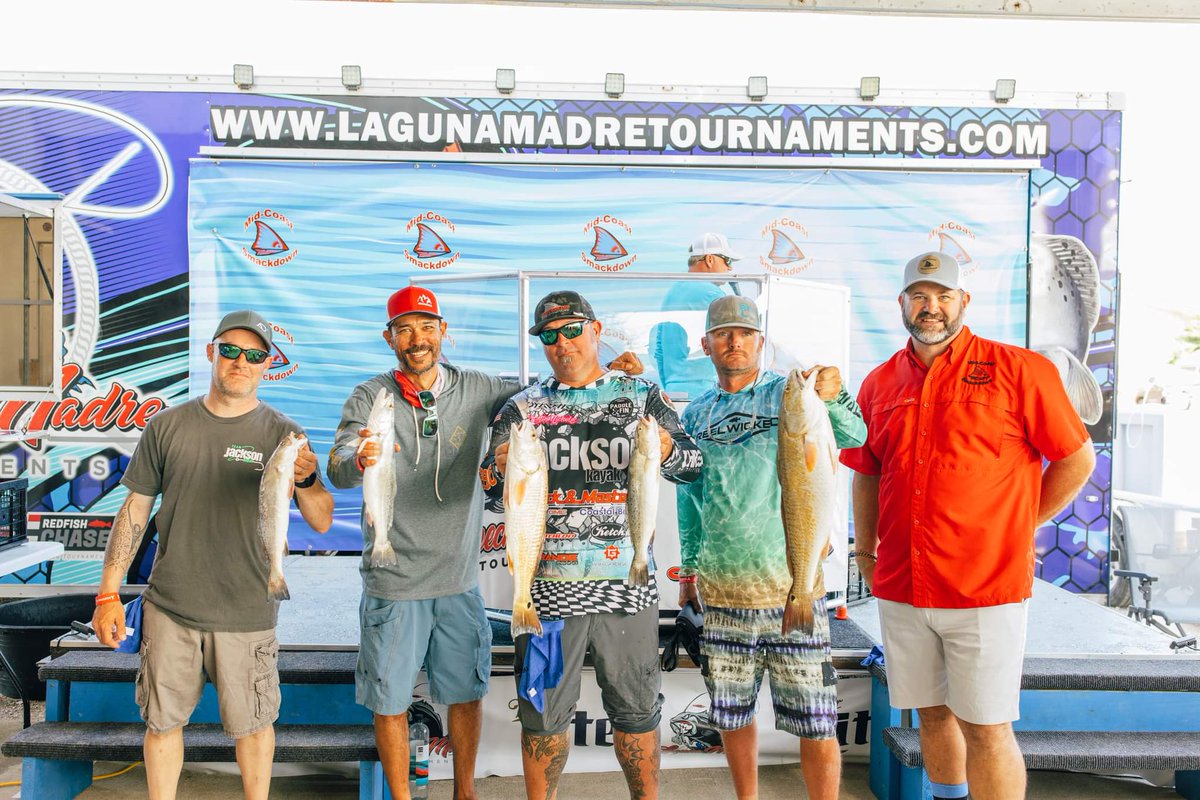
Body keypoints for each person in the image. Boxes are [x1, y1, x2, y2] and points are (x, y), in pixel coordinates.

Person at [326, 286, 643, 800]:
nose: (417, 339)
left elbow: (554, 387)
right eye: (405, 330)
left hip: (459, 580)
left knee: (465, 693)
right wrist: (357, 457)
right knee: (389, 701)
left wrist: (609, 372)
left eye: (427, 327)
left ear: (443, 331)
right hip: (393, 579)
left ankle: (465, 792)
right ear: (389, 338)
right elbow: (338, 466)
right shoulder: (371, 396)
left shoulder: (480, 387)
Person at [840, 252, 1096, 800]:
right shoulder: (879, 383)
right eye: (919, 296)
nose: (930, 307)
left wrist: (1020, 525)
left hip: (985, 588)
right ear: (902, 303)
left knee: (987, 727)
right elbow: (867, 473)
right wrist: (865, 553)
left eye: (943, 296)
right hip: (904, 586)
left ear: (963, 302)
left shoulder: (1021, 370)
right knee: (931, 716)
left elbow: (1076, 459)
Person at [91, 309, 334, 800]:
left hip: (248, 609)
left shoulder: (284, 433)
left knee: (254, 727)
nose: (241, 362)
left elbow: (322, 519)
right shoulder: (167, 426)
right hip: (170, 606)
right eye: (230, 350)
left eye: (254, 355)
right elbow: (134, 510)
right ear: (211, 353)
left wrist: (307, 479)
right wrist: (108, 595)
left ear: (268, 364)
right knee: (161, 724)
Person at [480, 290, 702, 800]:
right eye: (549, 336)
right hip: (545, 596)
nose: (562, 343)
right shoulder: (520, 408)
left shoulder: (642, 395)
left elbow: (692, 468)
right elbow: (492, 495)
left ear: (596, 330)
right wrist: (497, 468)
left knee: (637, 713)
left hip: (628, 587)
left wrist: (668, 446)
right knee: (541, 717)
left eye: (572, 330)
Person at [675, 295, 866, 800]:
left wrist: (835, 395)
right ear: (706, 345)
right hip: (724, 593)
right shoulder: (695, 413)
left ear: (761, 342)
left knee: (817, 721)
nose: (734, 341)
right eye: (723, 333)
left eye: (745, 333)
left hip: (793, 590)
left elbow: (855, 434)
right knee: (733, 717)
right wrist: (689, 571)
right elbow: (689, 499)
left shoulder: (790, 392)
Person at [651, 232, 743, 399]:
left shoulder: (672, 292)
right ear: (709, 259)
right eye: (727, 261)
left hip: (673, 391)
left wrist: (670, 384)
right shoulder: (713, 294)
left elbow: (659, 351)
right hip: (708, 393)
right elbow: (735, 345)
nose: (730, 268)